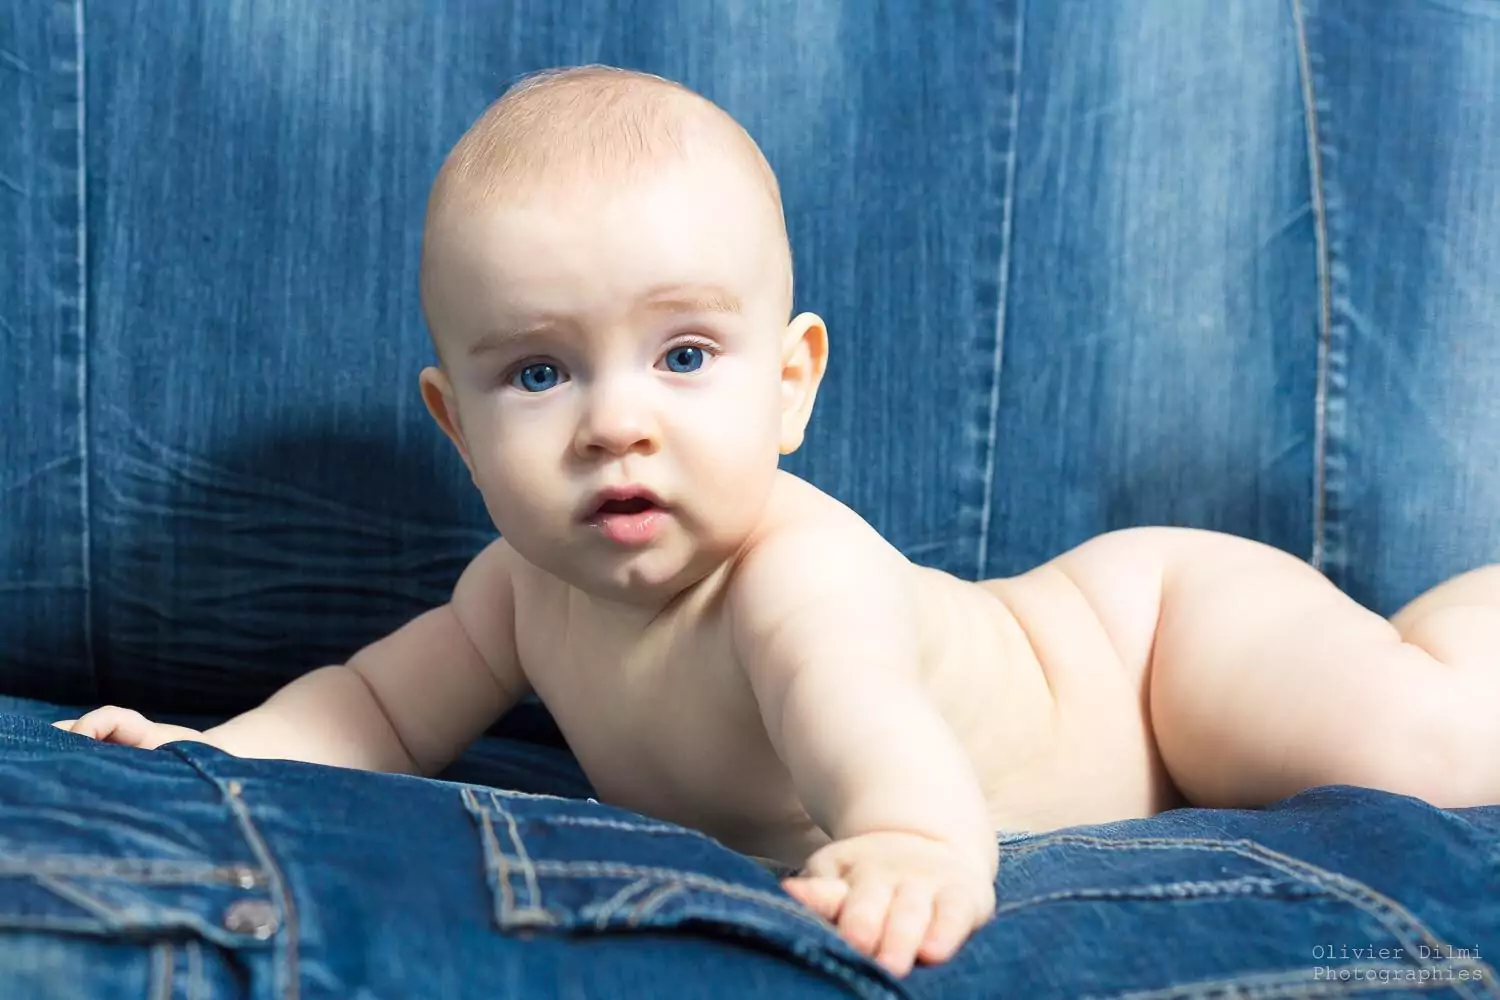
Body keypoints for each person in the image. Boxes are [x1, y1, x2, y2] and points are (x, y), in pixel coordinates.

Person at [52, 65, 1500, 981]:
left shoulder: (790, 574)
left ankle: (1466, 623)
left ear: (792, 383)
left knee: (1421, 749)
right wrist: (217, 748)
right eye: (541, 371)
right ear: (456, 423)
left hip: (1150, 651)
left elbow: (856, 714)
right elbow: (372, 708)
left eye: (684, 356)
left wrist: (917, 841)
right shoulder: (515, 591)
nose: (618, 421)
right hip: (1118, 651)